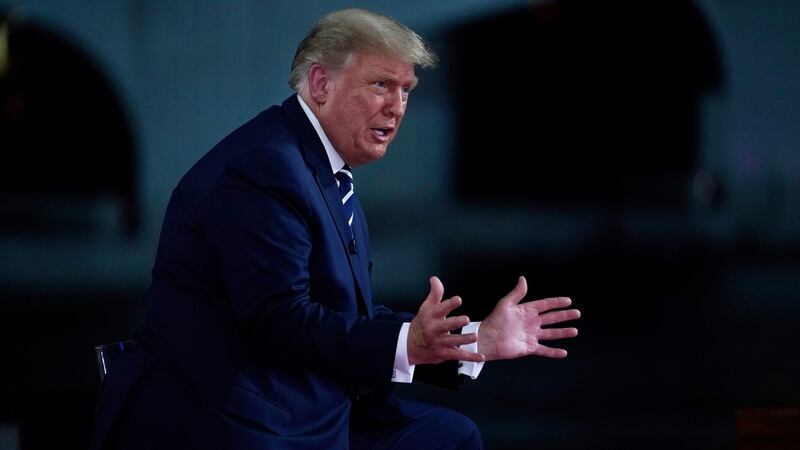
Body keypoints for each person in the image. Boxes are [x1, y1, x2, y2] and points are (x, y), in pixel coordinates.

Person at [89, 8, 580, 450]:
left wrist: (478, 340)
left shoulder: (320, 167)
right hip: (239, 418)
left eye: (406, 90)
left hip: (304, 402)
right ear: (320, 84)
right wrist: (406, 344)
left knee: (449, 436)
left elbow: (338, 313)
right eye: (381, 85)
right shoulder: (265, 168)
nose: (397, 106)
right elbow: (278, 321)